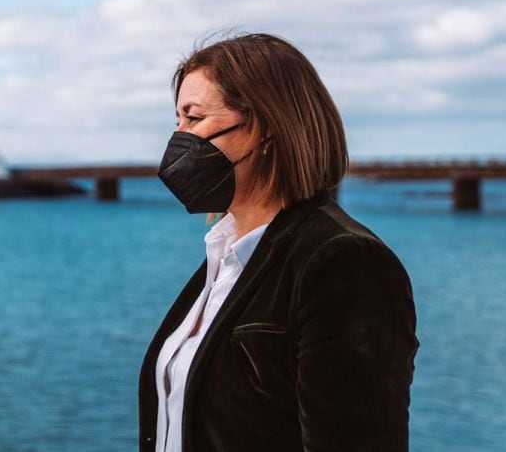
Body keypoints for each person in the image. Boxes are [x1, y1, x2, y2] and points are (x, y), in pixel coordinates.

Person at [139, 33, 418, 452]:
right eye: (177, 121)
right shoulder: (225, 254)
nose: (179, 139)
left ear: (266, 128)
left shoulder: (343, 262)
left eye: (194, 119)